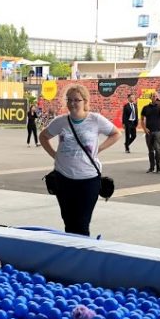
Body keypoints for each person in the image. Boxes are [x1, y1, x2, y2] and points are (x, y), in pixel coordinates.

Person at [39, 84, 122, 236]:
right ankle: (71, 248)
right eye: (69, 100)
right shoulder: (61, 121)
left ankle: (81, 249)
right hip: (63, 178)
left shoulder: (95, 120)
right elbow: (43, 136)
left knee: (82, 223)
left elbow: (116, 134)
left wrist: (99, 149)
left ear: (85, 101)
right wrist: (54, 154)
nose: (72, 103)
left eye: (76, 100)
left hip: (88, 179)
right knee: (69, 222)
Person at [140, 92, 160, 173]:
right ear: (151, 98)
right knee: (150, 150)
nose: (155, 98)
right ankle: (152, 167)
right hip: (149, 132)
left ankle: (158, 166)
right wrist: (144, 128)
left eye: (156, 96)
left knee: (157, 149)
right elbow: (141, 119)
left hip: (157, 131)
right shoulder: (145, 108)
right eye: (154, 96)